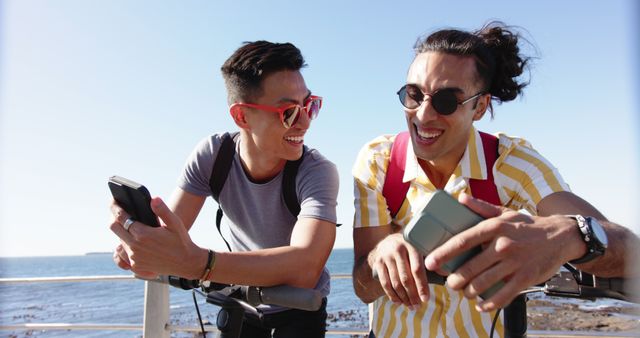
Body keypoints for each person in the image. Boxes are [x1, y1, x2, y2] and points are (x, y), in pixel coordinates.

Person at [351, 22, 640, 337]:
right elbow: (363, 289)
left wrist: (566, 235)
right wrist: (382, 254)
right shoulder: (379, 161)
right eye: (413, 94)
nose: (423, 114)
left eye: (446, 100)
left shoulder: (511, 163)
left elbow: (627, 252)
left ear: (480, 107)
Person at [109, 40, 338, 338]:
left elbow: (304, 268)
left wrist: (201, 263)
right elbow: (167, 244)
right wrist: (140, 245)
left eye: (310, 105)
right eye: (289, 112)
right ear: (242, 116)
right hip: (241, 303)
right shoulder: (214, 156)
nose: (305, 122)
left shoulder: (317, 171)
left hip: (299, 311)